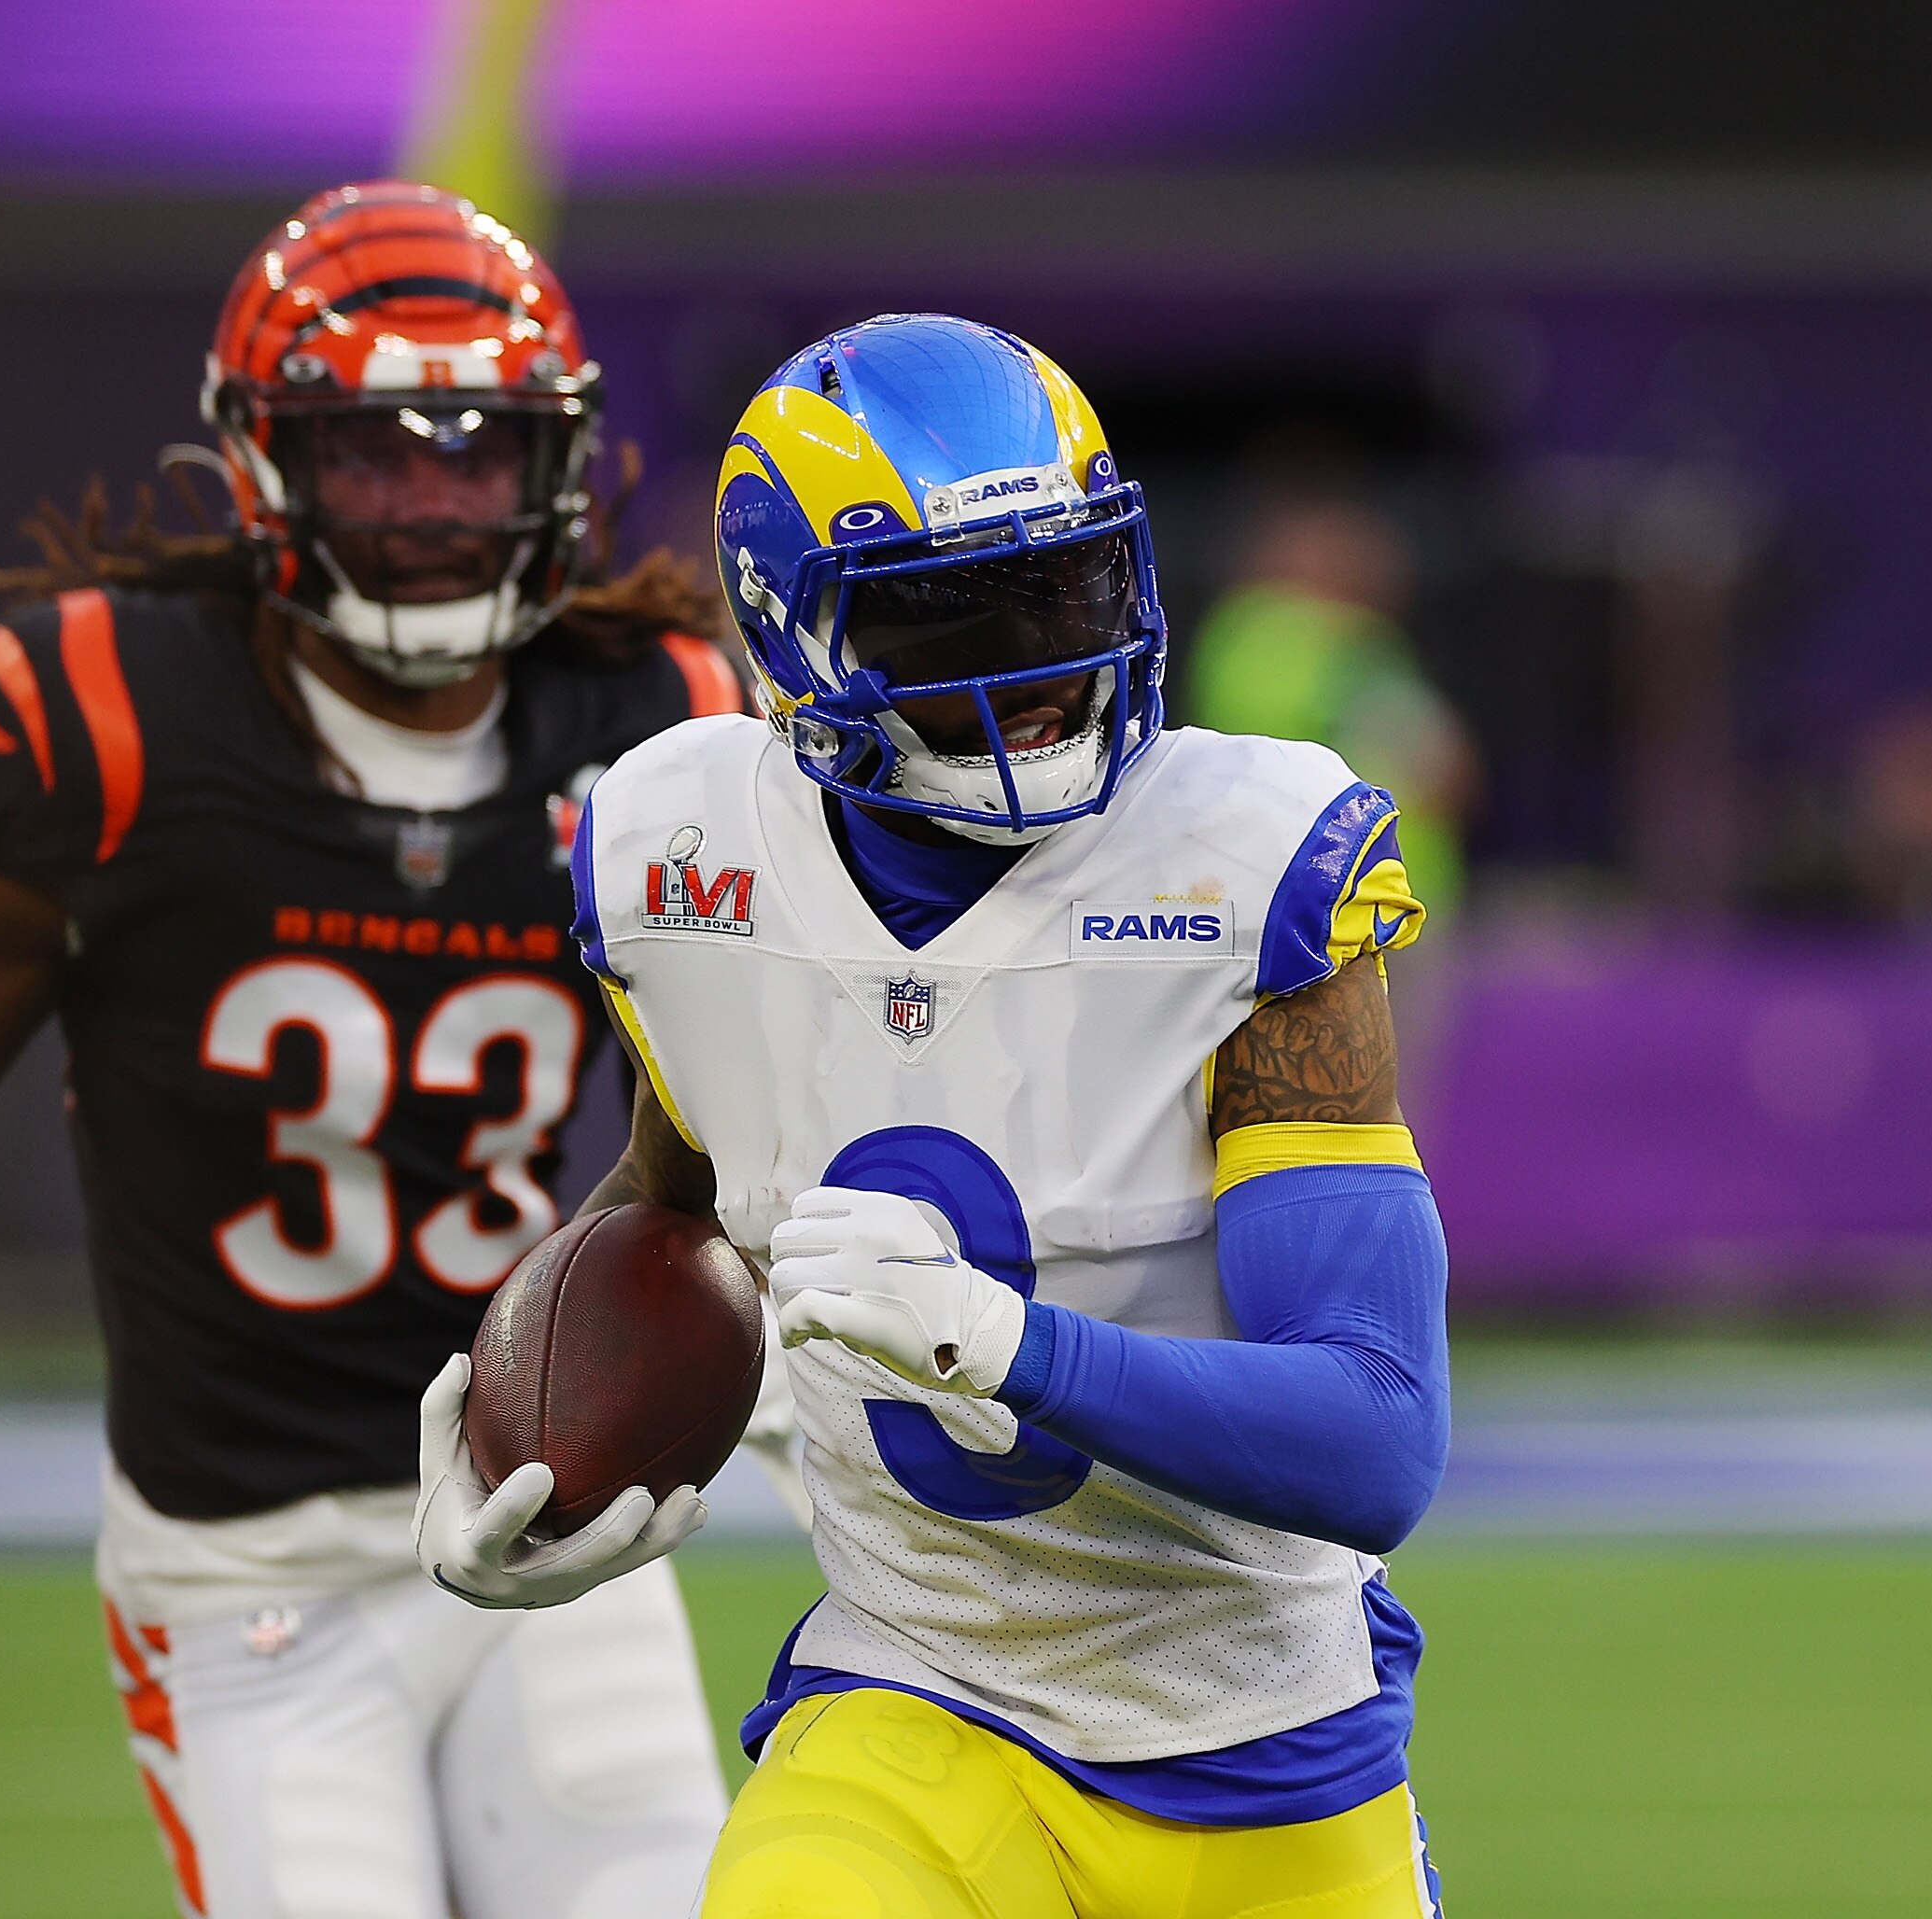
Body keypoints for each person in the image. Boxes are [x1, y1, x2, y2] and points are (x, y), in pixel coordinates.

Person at [0, 182, 751, 1919]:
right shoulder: (107, 717)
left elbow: (737, 1143)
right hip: (250, 1578)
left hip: (553, 1508)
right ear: (264, 464)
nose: (432, 514)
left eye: (476, 458)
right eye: (375, 457)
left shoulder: (662, 722)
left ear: (556, 472)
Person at [418, 315, 1451, 1917]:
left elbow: (1379, 1436)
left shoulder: (1250, 868)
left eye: (1064, 585)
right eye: (950, 609)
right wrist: (538, 1428)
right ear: (797, 635)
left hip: (1268, 1753)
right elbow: (673, 1203)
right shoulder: (687, 858)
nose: (1038, 657)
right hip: (917, 1709)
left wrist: (998, 1343)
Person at [1181, 496, 1476, 922]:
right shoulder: (1338, 642)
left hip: (1315, 891)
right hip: (1360, 900)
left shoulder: (1228, 638)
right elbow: (1447, 768)